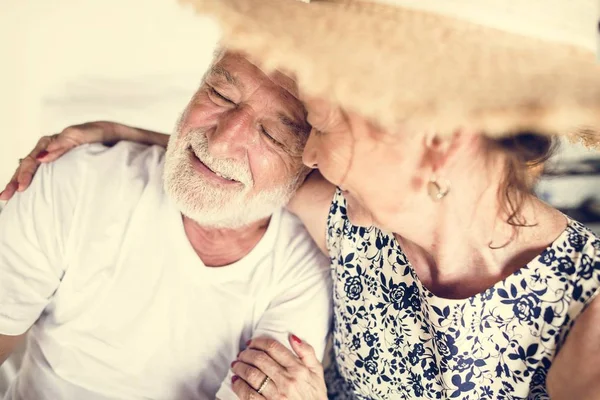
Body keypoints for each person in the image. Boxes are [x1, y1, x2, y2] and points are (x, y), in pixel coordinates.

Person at [5, 0, 600, 399]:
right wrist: (127, 137)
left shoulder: (589, 305)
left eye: (311, 124)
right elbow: (245, 168)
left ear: (435, 144)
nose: (310, 155)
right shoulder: (355, 227)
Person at [0, 50, 332, 400]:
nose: (220, 142)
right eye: (219, 95)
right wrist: (116, 131)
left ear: (309, 165)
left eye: (272, 136)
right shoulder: (76, 178)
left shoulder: (302, 267)